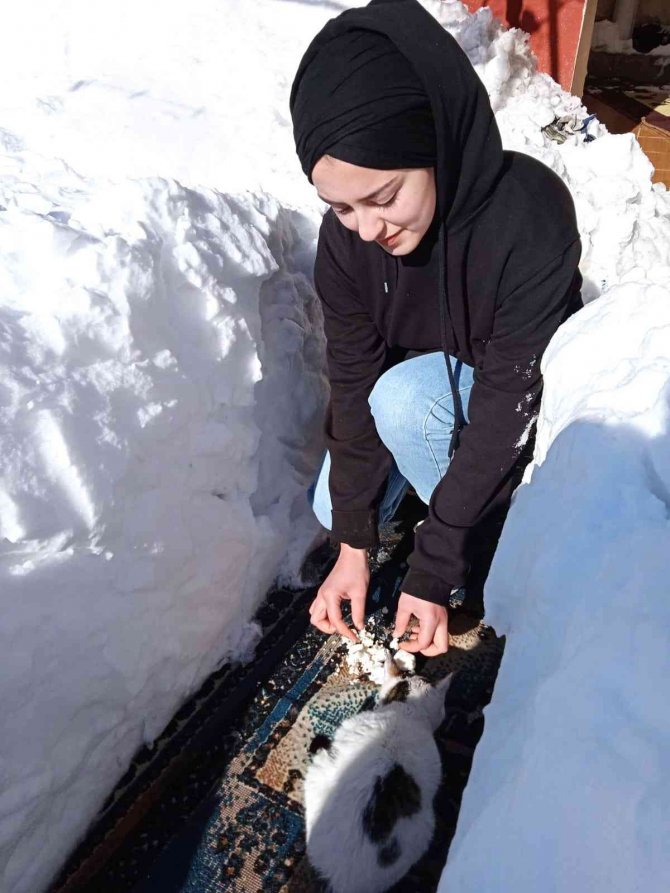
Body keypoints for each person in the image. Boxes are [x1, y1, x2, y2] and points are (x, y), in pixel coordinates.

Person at [289, 0, 582, 657]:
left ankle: (489, 554)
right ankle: (427, 511)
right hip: (430, 391)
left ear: (439, 144)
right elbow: (352, 378)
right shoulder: (347, 242)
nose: (366, 228)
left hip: (522, 414)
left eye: (384, 197)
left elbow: (508, 406)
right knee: (334, 506)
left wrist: (437, 563)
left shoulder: (526, 219)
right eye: (340, 206)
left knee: (405, 404)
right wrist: (354, 544)